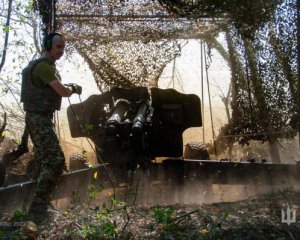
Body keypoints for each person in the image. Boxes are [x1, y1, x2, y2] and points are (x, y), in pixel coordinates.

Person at [20, 32, 82, 222]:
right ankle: (38, 209)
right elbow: (62, 91)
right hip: (38, 118)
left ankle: (38, 204)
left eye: (63, 47)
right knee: (55, 160)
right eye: (58, 47)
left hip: (40, 117)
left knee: (43, 161)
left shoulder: (45, 67)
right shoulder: (44, 67)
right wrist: (73, 88)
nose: (61, 51)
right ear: (48, 46)